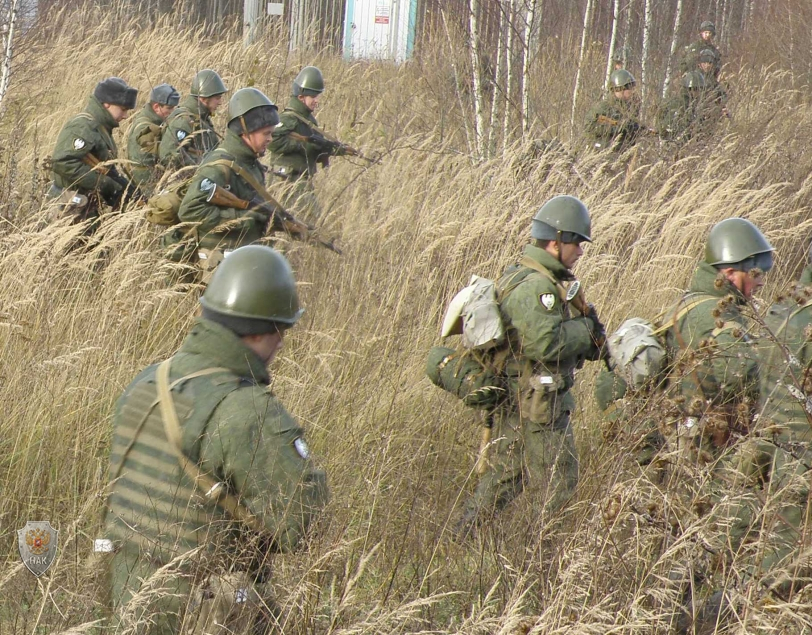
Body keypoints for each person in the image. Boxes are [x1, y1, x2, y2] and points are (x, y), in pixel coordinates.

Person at [103, 244, 329, 635]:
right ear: (271, 330)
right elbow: (302, 526)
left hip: (125, 600)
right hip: (204, 615)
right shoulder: (247, 411)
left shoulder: (147, 381)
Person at [454, 195, 605, 539]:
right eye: (577, 243)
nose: (581, 251)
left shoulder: (528, 275)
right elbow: (545, 344)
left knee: (506, 476)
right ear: (556, 243)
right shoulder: (539, 287)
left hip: (522, 398)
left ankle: (464, 538)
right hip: (539, 405)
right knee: (558, 483)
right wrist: (585, 330)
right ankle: (543, 558)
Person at [663, 218, 771, 463]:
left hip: (686, 435)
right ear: (730, 273)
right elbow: (744, 378)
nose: (761, 281)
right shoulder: (717, 316)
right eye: (754, 272)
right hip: (706, 447)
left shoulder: (691, 301)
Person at [171, 87, 280, 281]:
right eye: (266, 133)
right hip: (220, 263)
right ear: (246, 130)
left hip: (240, 258)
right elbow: (188, 210)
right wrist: (241, 218)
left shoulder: (249, 162)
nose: (270, 139)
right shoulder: (220, 166)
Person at [48, 77, 139, 233]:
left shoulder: (101, 127)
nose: (125, 116)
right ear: (106, 103)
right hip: (69, 205)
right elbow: (63, 162)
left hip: (83, 205)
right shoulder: (84, 126)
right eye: (123, 109)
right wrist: (104, 184)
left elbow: (104, 166)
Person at [267, 66, 351, 220]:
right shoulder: (288, 119)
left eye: (318, 96)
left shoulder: (309, 121)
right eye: (313, 97)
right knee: (313, 221)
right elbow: (273, 142)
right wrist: (302, 146)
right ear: (301, 97)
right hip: (287, 181)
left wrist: (332, 150)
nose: (317, 101)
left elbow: (315, 147)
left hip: (301, 180)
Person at [159, 69, 227, 170]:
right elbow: (169, 156)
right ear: (203, 98)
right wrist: (204, 164)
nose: (220, 102)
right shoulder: (184, 120)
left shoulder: (201, 117)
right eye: (217, 98)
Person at [125, 83, 180, 192]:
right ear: (156, 107)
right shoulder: (147, 128)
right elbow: (147, 168)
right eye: (169, 108)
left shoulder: (151, 121)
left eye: (174, 108)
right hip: (147, 189)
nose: (172, 112)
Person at [585, 69, 645, 151]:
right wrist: (618, 128)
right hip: (604, 151)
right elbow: (589, 127)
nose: (633, 91)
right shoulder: (604, 107)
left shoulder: (630, 107)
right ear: (620, 89)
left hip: (623, 150)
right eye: (629, 88)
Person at [656, 71, 716, 142]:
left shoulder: (678, 102)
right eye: (696, 89)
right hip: (677, 143)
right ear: (689, 90)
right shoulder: (686, 105)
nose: (699, 92)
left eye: (700, 89)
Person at [698, 48, 729, 117]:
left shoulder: (712, 79)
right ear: (700, 64)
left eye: (709, 63)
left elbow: (722, 95)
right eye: (704, 63)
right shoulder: (695, 77)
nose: (707, 65)